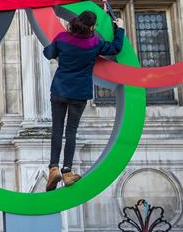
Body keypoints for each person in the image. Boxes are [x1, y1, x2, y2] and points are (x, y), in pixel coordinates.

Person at [42, 11, 124, 191]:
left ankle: (53, 167)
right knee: (71, 131)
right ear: (92, 27)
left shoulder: (63, 38)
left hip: (60, 90)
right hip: (79, 93)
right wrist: (120, 28)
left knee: (57, 129)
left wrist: (56, 47)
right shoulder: (94, 43)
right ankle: (67, 171)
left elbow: (48, 53)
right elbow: (115, 48)